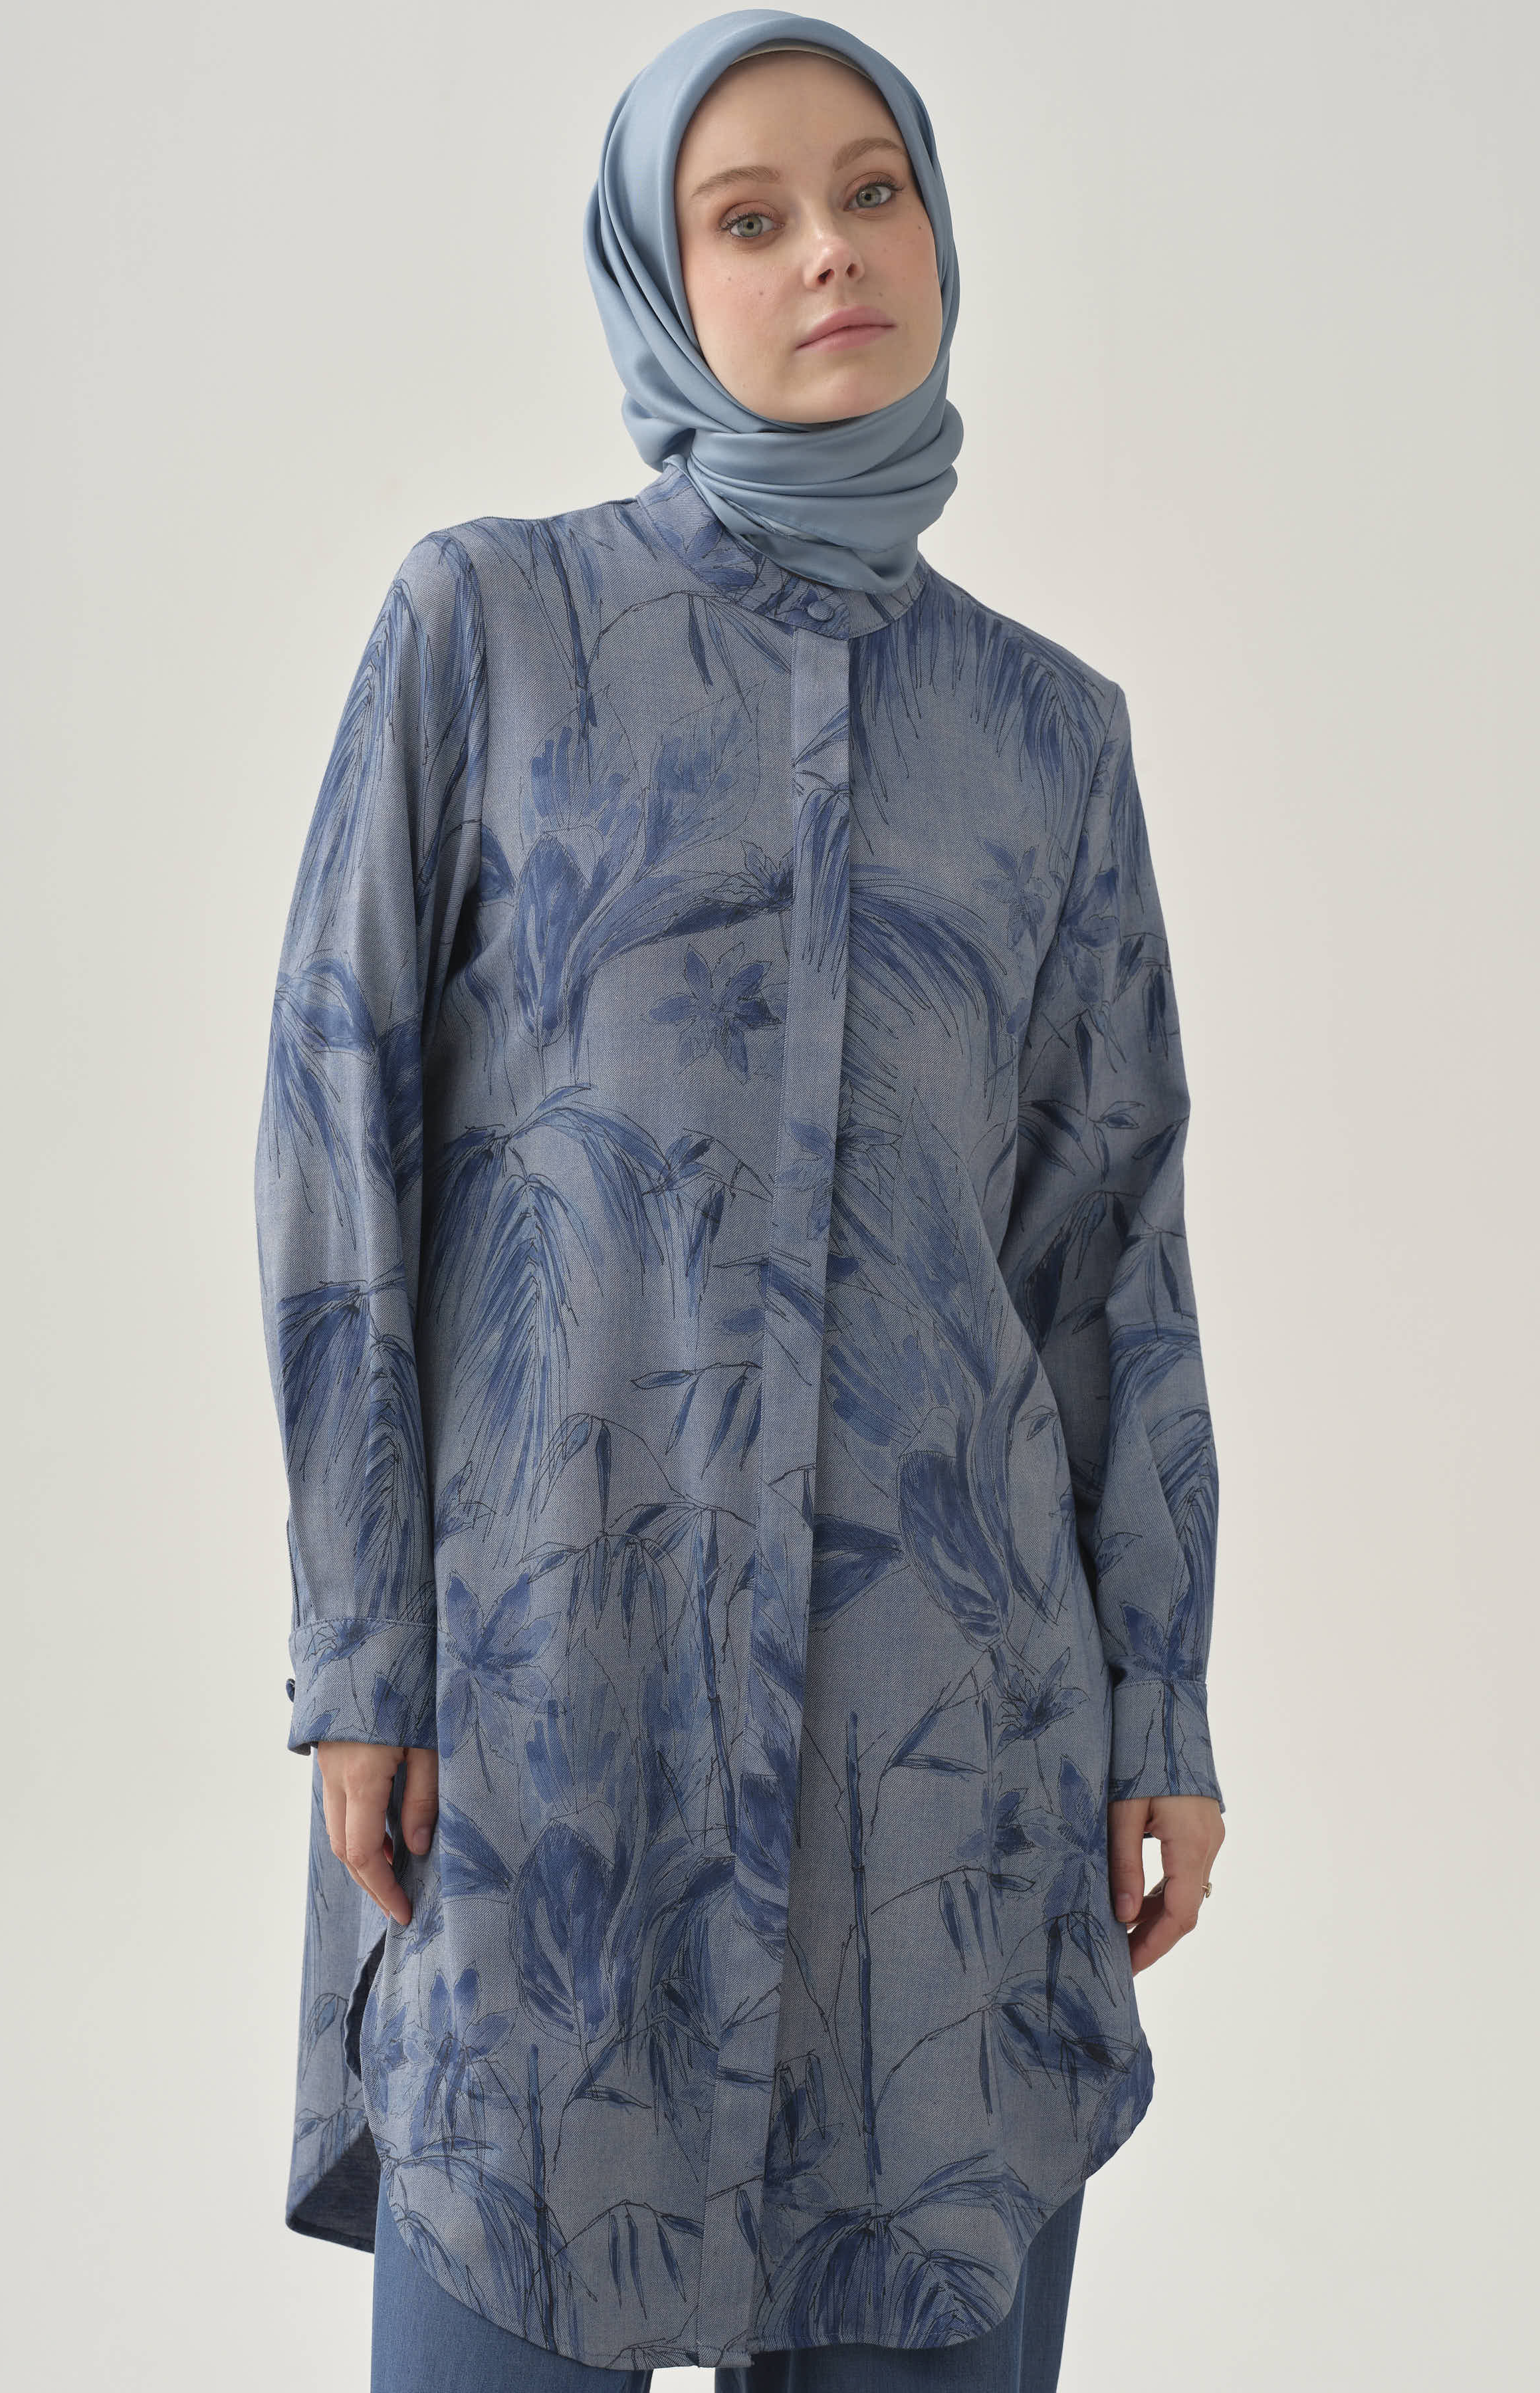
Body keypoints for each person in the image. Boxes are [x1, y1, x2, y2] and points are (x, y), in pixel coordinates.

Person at [253, 11, 1228, 2390]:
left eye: (873, 192)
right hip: (545, 1738)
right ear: (656, 277)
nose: (829, 255)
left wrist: (1163, 1702)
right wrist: (366, 1657)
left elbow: (1108, 1251)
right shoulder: (487, 631)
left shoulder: (1050, 737)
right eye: (750, 216)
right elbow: (336, 1136)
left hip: (946, 1783)